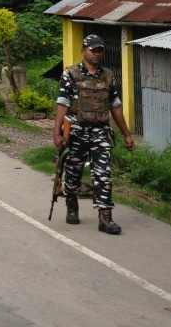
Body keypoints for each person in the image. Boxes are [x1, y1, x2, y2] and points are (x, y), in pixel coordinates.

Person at [54, 34, 136, 235]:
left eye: (99, 50)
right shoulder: (70, 75)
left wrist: (126, 134)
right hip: (76, 131)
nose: (97, 54)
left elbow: (115, 106)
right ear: (83, 51)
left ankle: (105, 216)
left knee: (103, 173)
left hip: (100, 131)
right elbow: (63, 104)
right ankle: (72, 204)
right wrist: (57, 133)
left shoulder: (108, 76)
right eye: (93, 50)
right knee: (73, 172)